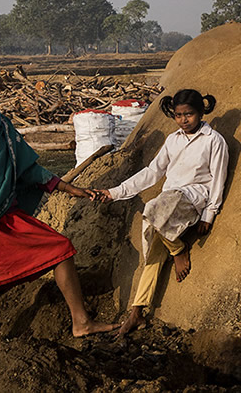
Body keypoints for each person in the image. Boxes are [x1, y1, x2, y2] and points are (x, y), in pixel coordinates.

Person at [0, 63, 117, 352]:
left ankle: (81, 322)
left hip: (1, 215)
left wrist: (69, 188)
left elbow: (25, 168)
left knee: (60, 249)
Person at [92, 88, 228, 336]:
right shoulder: (173, 140)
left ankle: (178, 250)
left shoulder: (214, 141)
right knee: (152, 255)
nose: (183, 120)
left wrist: (210, 214)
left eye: (189, 114)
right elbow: (152, 172)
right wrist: (115, 192)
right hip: (169, 201)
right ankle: (136, 313)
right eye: (178, 115)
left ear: (201, 112)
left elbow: (218, 179)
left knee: (152, 210)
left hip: (192, 199)